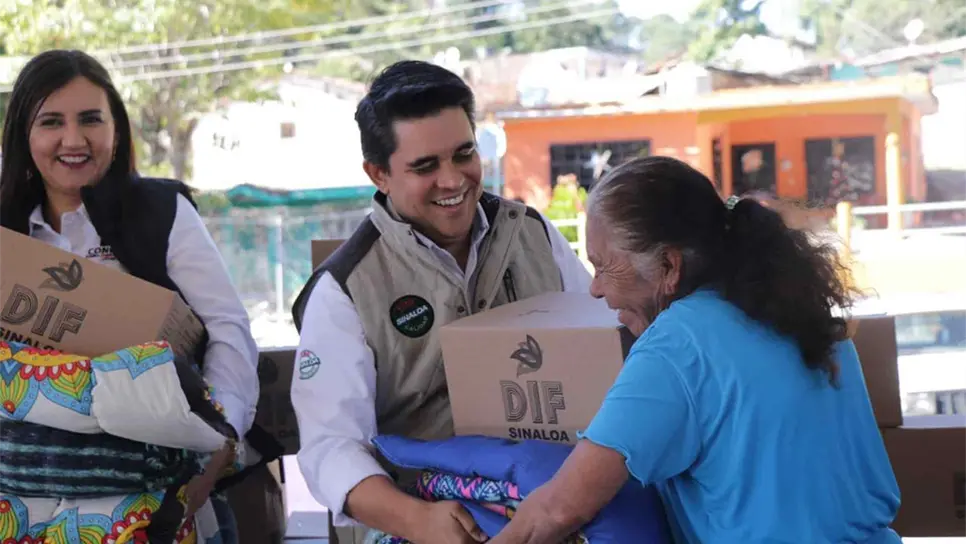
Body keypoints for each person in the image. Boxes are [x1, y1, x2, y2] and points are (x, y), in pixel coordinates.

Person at [487, 156, 902, 544]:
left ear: (668, 267)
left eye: (603, 266)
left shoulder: (677, 343)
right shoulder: (797, 312)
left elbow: (558, 509)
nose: (595, 289)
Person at [290, 60, 592, 544]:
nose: (452, 181)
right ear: (379, 174)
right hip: (429, 516)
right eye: (425, 167)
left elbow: (602, 348)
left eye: (463, 154)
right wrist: (417, 521)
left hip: (561, 501)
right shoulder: (345, 289)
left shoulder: (533, 236)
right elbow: (330, 446)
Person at [0, 49, 260, 542]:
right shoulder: (7, 227)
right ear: (22, 136)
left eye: (91, 120)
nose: (73, 140)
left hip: (159, 492)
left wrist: (221, 440)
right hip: (25, 498)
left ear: (116, 130)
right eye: (51, 122)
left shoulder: (161, 214)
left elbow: (227, 327)